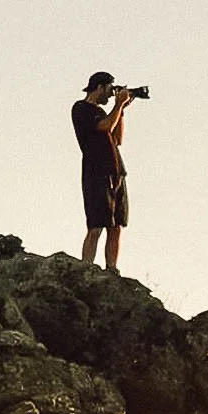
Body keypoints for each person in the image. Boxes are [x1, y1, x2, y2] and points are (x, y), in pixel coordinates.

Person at [72, 71, 130, 270]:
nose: (110, 95)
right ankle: (86, 267)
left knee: (116, 225)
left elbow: (117, 139)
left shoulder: (104, 112)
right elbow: (103, 127)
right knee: (96, 224)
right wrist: (118, 104)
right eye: (109, 90)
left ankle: (111, 268)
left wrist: (120, 111)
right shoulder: (81, 109)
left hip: (115, 171)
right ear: (99, 87)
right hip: (96, 172)